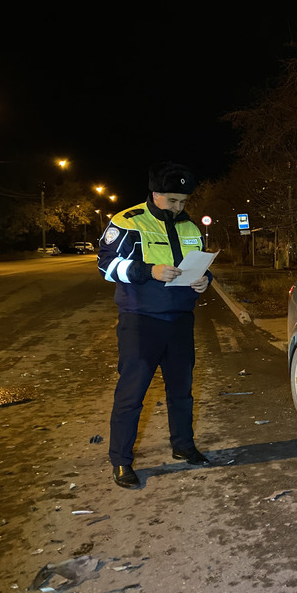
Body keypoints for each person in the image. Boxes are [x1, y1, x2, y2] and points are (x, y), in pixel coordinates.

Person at [98, 162, 213, 489]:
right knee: (131, 395)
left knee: (181, 391)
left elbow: (199, 263)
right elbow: (106, 265)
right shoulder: (127, 222)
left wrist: (205, 280)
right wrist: (149, 271)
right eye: (173, 200)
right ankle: (121, 461)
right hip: (141, 321)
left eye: (183, 201)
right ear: (155, 194)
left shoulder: (190, 226)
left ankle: (183, 445)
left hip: (180, 320)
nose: (179, 207)